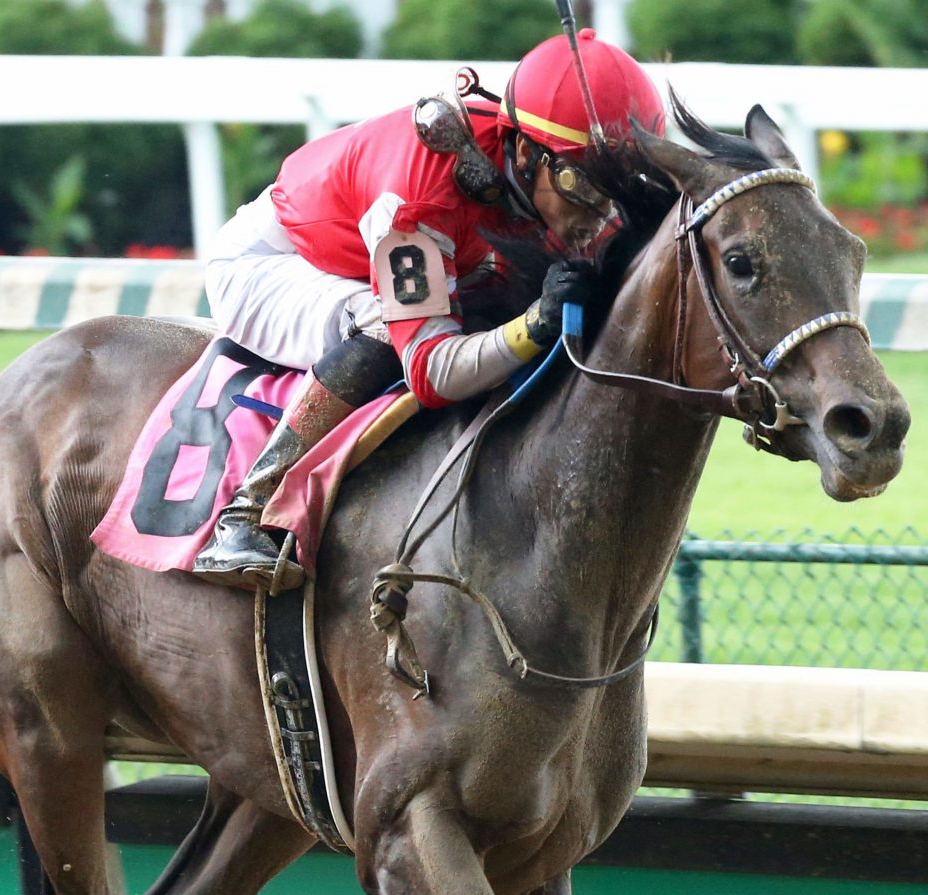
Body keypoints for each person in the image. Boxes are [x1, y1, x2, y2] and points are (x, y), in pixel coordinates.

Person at [191, 29, 667, 591]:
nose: (599, 212)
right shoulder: (420, 196)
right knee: (383, 326)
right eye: (580, 185)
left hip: (377, 250)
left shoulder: (536, 171)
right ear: (524, 153)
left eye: (614, 190)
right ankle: (248, 511)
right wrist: (534, 324)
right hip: (273, 263)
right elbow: (431, 370)